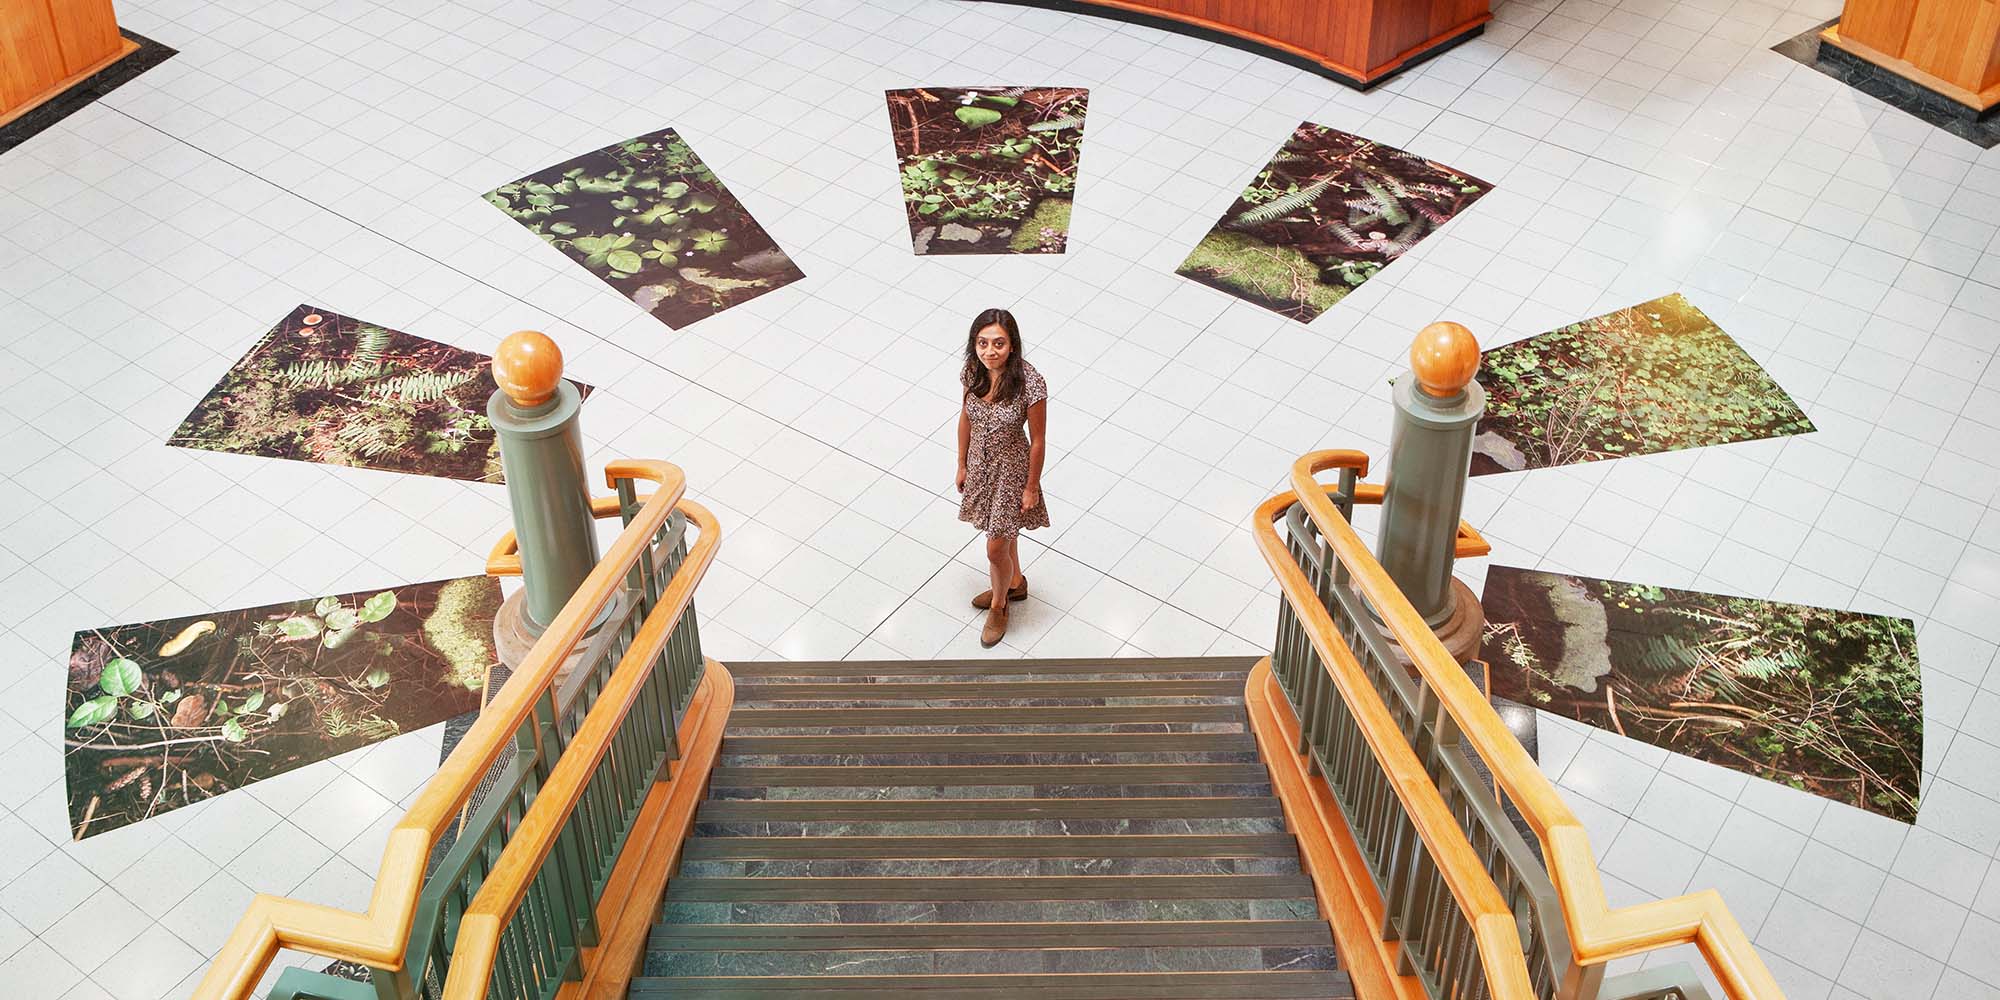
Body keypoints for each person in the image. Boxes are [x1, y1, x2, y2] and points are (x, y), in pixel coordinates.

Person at [954, 307, 1049, 647]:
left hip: (1012, 471)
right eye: (982, 343)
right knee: (1005, 537)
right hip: (981, 466)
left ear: (1012, 345)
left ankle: (999, 605)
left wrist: (1031, 486)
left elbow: (1038, 439)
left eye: (998, 343)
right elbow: (965, 417)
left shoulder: (1031, 382)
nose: (989, 351)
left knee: (996, 547)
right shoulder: (973, 371)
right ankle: (1015, 583)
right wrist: (962, 463)